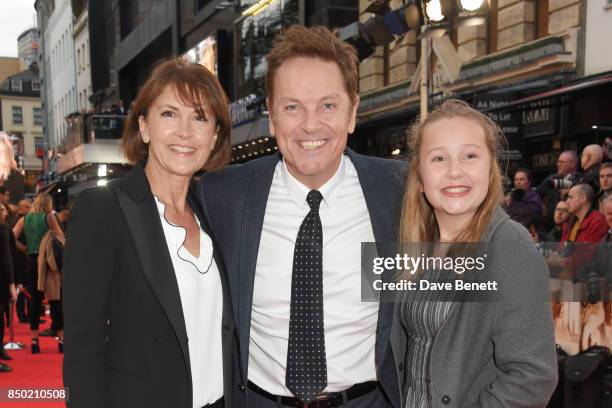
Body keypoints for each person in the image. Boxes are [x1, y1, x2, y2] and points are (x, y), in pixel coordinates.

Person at [198, 26, 405, 408]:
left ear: (352, 112)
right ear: (272, 117)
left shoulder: (399, 189)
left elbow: (465, 280)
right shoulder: (222, 195)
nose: (311, 125)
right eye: (293, 107)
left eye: (327, 105)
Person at [63, 58, 235, 408]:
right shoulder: (103, 210)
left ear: (214, 135)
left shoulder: (214, 214)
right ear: (144, 127)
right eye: (169, 114)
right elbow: (83, 349)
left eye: (200, 117)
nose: (185, 132)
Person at [392, 99, 557, 407]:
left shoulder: (511, 248)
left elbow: (533, 377)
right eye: (439, 158)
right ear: (420, 178)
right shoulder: (416, 244)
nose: (455, 171)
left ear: (491, 169)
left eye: (470, 156)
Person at [12, 193, 64, 353]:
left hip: (32, 261)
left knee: (35, 300)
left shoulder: (24, 219)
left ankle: (34, 341)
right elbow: (61, 238)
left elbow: (12, 236)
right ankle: (61, 340)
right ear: (48, 203)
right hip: (49, 263)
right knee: (55, 300)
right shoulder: (49, 217)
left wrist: (24, 248)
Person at [0, 203, 17, 371]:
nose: (6, 212)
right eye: (3, 209)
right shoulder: (3, 230)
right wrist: (12, 283)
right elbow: (6, 258)